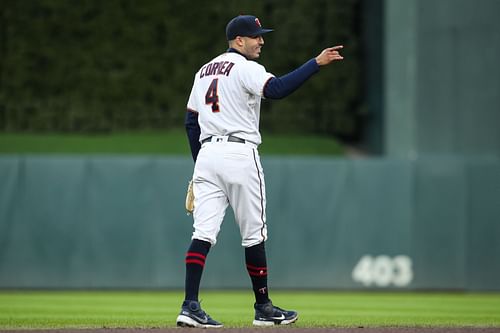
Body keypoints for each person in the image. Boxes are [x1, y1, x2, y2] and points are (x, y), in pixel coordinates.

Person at [177, 14, 343, 328]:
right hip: (239, 152)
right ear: (239, 40)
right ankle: (263, 307)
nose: (261, 41)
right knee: (254, 234)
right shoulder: (245, 67)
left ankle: (190, 305)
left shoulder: (202, 71)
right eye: (256, 36)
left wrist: (200, 163)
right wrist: (315, 63)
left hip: (208, 154)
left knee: (202, 234)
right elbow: (277, 89)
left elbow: (190, 123)